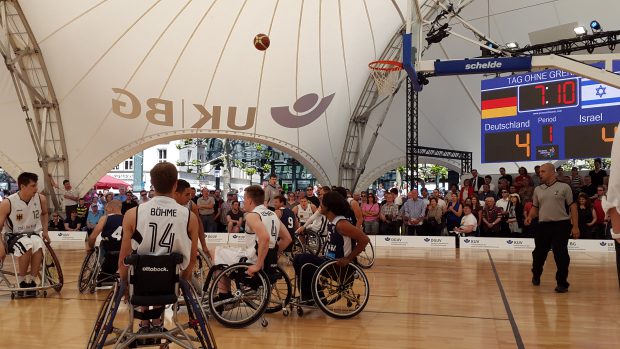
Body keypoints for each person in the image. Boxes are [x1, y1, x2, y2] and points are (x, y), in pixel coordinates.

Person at [118, 162, 200, 334]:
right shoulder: (190, 217)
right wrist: (182, 283)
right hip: (170, 282)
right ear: (176, 184)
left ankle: (145, 321)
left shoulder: (133, 213)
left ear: (152, 183)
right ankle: (157, 320)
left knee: (142, 270)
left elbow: (124, 258)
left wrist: (124, 283)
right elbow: (191, 260)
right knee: (164, 272)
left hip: (140, 281)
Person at [211, 185, 292, 298]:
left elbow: (264, 238)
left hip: (252, 260)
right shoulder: (273, 214)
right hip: (267, 260)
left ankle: (224, 294)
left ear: (249, 200)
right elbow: (287, 239)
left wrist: (258, 264)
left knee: (218, 252)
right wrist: (273, 254)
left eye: (244, 198)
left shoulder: (252, 216)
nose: (243, 201)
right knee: (228, 251)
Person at [293, 191, 370, 302]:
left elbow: (365, 239)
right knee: (299, 258)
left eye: (322, 204)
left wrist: (348, 259)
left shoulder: (341, 224)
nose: (320, 207)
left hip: (338, 266)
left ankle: (312, 297)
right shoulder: (332, 221)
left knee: (303, 259)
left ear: (329, 207)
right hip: (329, 262)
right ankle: (313, 296)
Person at [525, 163, 579, 293]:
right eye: (540, 171)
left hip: (561, 225)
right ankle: (536, 274)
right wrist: (530, 216)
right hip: (543, 225)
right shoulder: (538, 189)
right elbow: (535, 207)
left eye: (543, 171)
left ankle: (562, 283)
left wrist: (575, 226)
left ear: (552, 172)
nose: (540, 173)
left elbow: (573, 207)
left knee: (561, 254)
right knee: (538, 254)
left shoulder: (565, 187)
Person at [0, 172, 50, 297]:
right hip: (12, 236)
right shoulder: (8, 202)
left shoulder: (41, 199)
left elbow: (44, 214)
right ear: (23, 186)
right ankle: (22, 282)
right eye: (33, 186)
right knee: (26, 245)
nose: (36, 188)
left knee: (38, 244)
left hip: (33, 233)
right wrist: (0, 244)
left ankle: (32, 281)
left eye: (36, 185)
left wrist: (45, 231)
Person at [87, 200, 124, 281]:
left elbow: (93, 237)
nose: (106, 212)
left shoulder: (105, 218)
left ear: (112, 208)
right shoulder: (127, 219)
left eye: (106, 210)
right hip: (122, 251)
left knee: (100, 244)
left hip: (108, 250)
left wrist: (90, 247)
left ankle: (104, 274)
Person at [173, 179, 209, 252]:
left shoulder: (191, 204)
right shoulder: (166, 205)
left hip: (186, 243)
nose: (190, 197)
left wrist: (204, 246)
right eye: (187, 194)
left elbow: (199, 224)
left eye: (190, 194)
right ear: (176, 194)